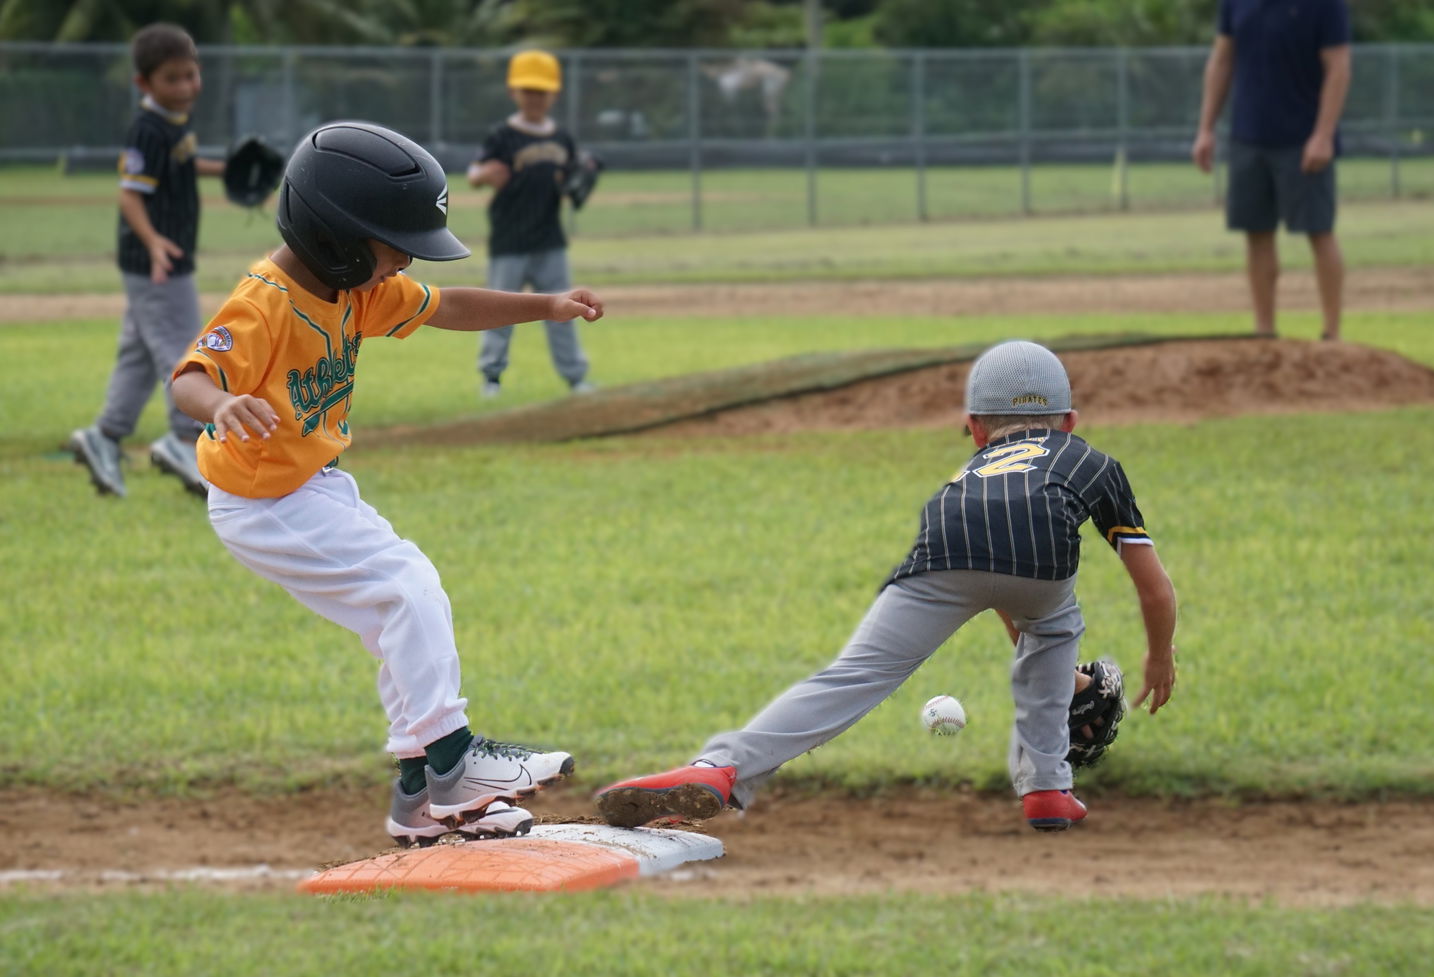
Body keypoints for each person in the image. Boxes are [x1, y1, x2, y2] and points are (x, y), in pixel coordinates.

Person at [170, 121, 604, 846]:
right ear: (335, 236)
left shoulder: (354, 290)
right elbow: (189, 377)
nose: (402, 262)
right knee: (409, 586)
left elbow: (448, 306)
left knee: (393, 618)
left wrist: (547, 304)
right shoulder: (266, 302)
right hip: (260, 500)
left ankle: (419, 800)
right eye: (393, 245)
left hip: (313, 487)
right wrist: (221, 404)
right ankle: (455, 764)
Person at [595, 341, 1178, 833]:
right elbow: (1150, 588)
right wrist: (1157, 654)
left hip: (944, 541)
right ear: (1071, 422)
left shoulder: (971, 471)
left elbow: (991, 562)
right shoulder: (1091, 461)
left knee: (854, 677)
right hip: (1044, 559)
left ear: (975, 431)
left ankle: (719, 768)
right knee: (1053, 626)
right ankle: (1048, 788)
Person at [70, 23, 223, 499]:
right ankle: (182, 439)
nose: (185, 86)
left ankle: (105, 435)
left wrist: (227, 169)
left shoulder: (174, 124)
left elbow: (180, 165)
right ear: (144, 84)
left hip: (162, 257)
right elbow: (130, 196)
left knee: (137, 354)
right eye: (172, 78)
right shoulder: (146, 131)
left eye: (191, 75)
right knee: (182, 349)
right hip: (157, 260)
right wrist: (155, 243)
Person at [1191, 0, 1352, 342]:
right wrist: (1206, 128)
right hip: (1249, 136)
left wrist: (1323, 135)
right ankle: (1264, 333)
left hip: (1303, 139)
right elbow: (1222, 59)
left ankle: (1332, 335)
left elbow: (1338, 66)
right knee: (1256, 232)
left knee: (1319, 230)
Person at [467, 48, 598, 398]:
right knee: (499, 312)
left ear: (554, 94)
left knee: (565, 311)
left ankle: (576, 378)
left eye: (542, 91)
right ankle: (491, 378)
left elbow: (573, 177)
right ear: (514, 92)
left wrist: (579, 180)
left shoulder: (562, 138)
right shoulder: (502, 135)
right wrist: (484, 176)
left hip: (549, 240)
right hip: (509, 239)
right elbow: (474, 172)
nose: (535, 98)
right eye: (528, 90)